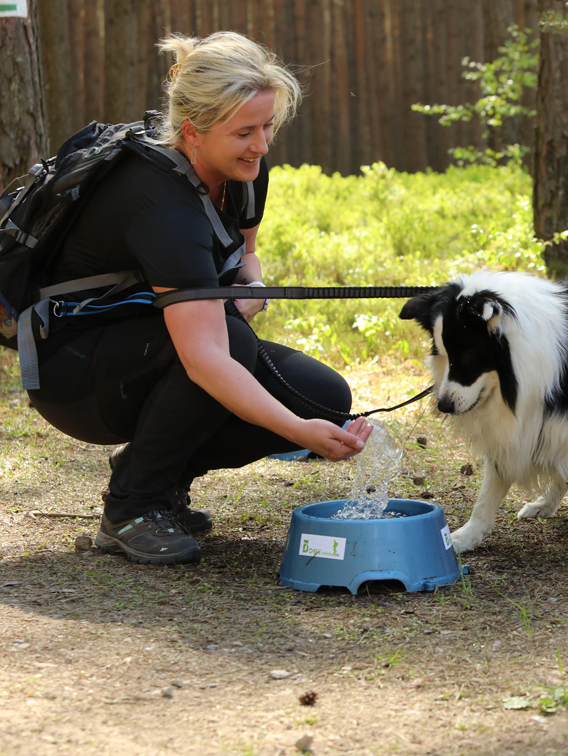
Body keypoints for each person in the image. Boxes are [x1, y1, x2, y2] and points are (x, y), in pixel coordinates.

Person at [26, 31, 372, 565]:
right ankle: (132, 506)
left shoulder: (242, 169)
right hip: (74, 373)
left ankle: (157, 472)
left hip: (150, 342)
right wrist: (297, 432)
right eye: (245, 132)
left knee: (321, 394)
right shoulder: (161, 205)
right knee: (230, 347)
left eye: (268, 126)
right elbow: (206, 357)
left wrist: (251, 287)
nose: (261, 145)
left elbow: (246, 252)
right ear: (193, 131)